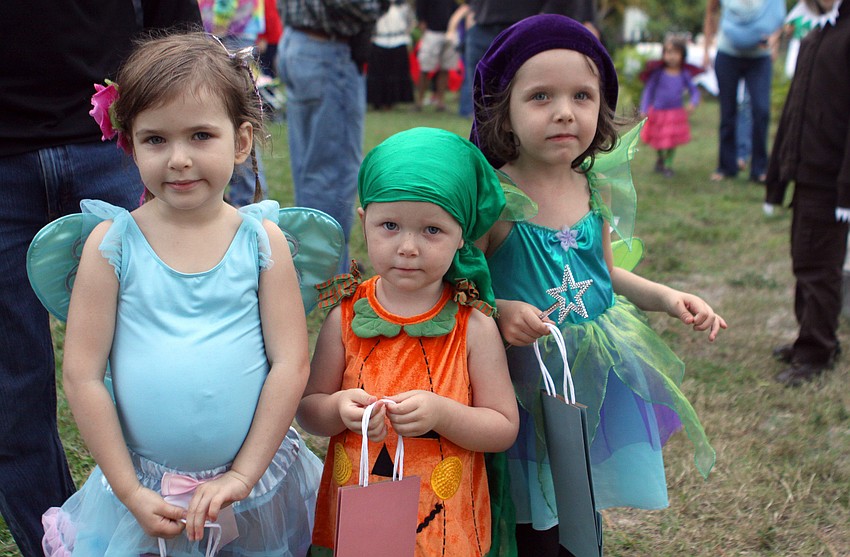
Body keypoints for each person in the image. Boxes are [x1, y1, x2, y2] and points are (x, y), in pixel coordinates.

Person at [39, 32, 322, 555]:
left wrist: (242, 476)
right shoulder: (112, 244)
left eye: (199, 136)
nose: (178, 159)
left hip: (255, 485)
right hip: (141, 486)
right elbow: (81, 374)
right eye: (155, 140)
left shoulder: (263, 242)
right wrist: (127, 489)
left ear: (240, 142)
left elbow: (290, 364)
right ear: (129, 144)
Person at [470, 15, 727, 555]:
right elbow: (462, 287)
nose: (565, 111)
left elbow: (604, 272)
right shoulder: (494, 197)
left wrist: (666, 297)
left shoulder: (591, 185)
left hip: (591, 369)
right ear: (504, 111)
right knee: (529, 498)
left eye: (582, 96)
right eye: (541, 96)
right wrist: (499, 309)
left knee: (578, 491)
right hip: (523, 373)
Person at [0, 3, 201, 555]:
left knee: (171, 354)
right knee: (11, 392)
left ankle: (177, 536)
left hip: (119, 139)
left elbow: (177, 23)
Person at [301, 127, 520, 556]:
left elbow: (503, 427)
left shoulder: (472, 326)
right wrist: (338, 409)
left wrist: (443, 413)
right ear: (363, 221)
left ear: (463, 236)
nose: (407, 247)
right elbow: (309, 410)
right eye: (390, 225)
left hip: (444, 528)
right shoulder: (344, 317)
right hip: (358, 520)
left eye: (432, 230)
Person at [765, 0, 849, 386]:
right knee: (805, 260)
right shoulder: (815, 36)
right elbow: (795, 111)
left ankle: (818, 350)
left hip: (832, 182)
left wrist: (846, 190)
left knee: (820, 268)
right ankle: (809, 339)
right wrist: (778, 176)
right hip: (806, 174)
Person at [278, 0, 386, 273]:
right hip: (326, 48)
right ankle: (328, 271)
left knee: (310, 167)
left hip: (300, 43)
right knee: (332, 172)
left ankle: (316, 262)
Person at [458, 0, 597, 118]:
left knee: (528, 95)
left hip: (526, 26)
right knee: (479, 96)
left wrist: (545, 18)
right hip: (481, 25)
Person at [703, 0, 786, 183]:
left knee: (761, 110)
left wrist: (774, 41)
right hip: (727, 55)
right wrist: (706, 49)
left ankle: (759, 168)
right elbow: (711, 13)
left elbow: (780, 21)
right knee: (728, 113)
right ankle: (726, 166)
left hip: (759, 59)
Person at [199, 0, 268, 207]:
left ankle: (248, 200)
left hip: (229, 36)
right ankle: (246, 196)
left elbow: (226, 4)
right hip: (234, 34)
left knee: (234, 120)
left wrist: (220, 24)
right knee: (231, 120)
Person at [639, 36, 701, 178]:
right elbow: (648, 91)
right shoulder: (658, 73)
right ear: (663, 54)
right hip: (658, 112)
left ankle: (668, 164)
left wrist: (693, 102)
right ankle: (660, 158)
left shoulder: (684, 74)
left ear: (682, 55)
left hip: (675, 113)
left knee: (671, 140)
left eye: (675, 53)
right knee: (659, 139)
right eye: (668, 52)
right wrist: (644, 108)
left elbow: (694, 90)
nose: (672, 56)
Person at [366, 0, 415, 111]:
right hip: (378, 39)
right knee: (378, 73)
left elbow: (411, 21)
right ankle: (377, 101)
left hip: (399, 40)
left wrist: (407, 35)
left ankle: (392, 101)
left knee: (395, 72)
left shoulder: (403, 5)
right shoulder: (373, 4)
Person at [414, 0, 461, 112]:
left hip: (450, 31)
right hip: (432, 31)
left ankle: (440, 102)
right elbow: (420, 5)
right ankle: (419, 102)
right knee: (425, 68)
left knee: (446, 68)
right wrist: (422, 23)